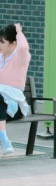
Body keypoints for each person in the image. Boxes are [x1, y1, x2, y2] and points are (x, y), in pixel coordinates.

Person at [0, 23, 31, 157]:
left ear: (13, 43)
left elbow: (23, 47)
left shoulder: (21, 58)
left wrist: (18, 31)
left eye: (2, 42)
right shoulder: (1, 57)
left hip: (15, 107)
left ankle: (4, 139)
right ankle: (4, 138)